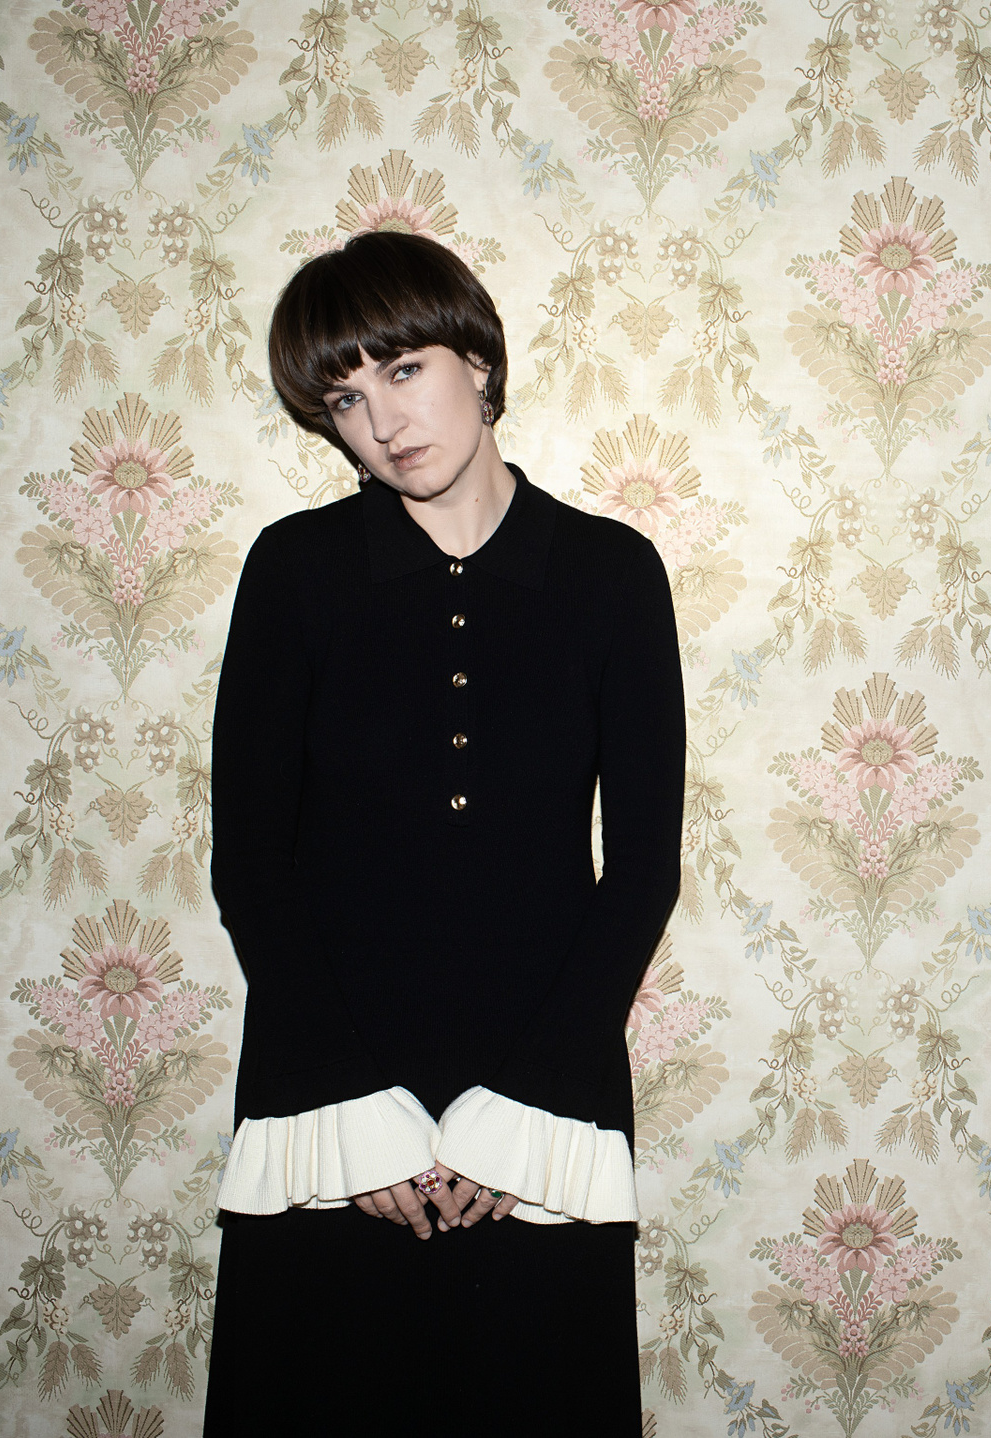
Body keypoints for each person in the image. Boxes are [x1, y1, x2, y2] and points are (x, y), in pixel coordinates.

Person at [202, 230, 683, 1430]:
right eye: (345, 400)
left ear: (476, 358)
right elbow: (251, 862)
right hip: (328, 1092)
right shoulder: (295, 570)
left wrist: (522, 1115)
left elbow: (641, 871)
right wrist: (353, 1115)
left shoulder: (613, 573)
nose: (383, 422)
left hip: (545, 1088)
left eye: (403, 369)